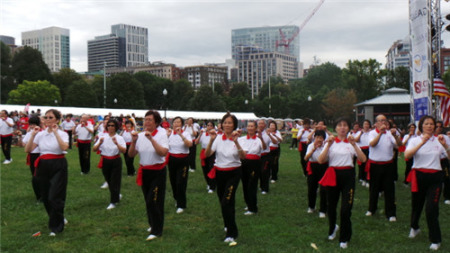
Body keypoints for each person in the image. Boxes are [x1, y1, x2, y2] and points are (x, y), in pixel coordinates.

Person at [318, 118, 367, 249]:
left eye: (345, 125)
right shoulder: (331, 142)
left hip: (348, 177)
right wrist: (327, 145)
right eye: (339, 125)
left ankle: (344, 237)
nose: (342, 128)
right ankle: (333, 227)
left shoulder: (351, 143)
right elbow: (321, 160)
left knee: (346, 209)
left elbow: (363, 159)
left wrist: (355, 145)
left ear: (348, 128)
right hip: (333, 175)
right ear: (335, 128)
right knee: (331, 206)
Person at [405, 116, 450, 251]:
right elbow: (407, 155)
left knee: (431, 209)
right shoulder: (414, 140)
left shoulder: (440, 140)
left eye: (432, 124)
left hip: (435, 177)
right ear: (422, 126)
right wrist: (421, 143)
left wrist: (445, 146)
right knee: (417, 205)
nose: (430, 126)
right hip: (419, 176)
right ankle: (414, 227)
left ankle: (435, 239)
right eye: (427, 124)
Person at [25, 109, 69, 236]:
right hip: (43, 165)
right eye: (46, 117)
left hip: (58, 164)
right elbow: (28, 149)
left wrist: (55, 133)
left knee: (55, 195)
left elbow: (64, 147)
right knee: (45, 196)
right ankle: (57, 218)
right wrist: (32, 135)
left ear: (56, 120)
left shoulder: (62, 134)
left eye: (51, 117)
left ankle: (56, 227)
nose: (47, 120)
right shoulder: (40, 134)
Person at [205, 112, 246, 245]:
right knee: (225, 201)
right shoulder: (217, 138)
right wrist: (211, 140)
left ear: (234, 125)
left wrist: (236, 143)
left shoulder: (239, 138)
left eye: (230, 123)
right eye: (225, 122)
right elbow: (207, 154)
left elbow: (243, 157)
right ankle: (227, 224)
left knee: (226, 201)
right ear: (221, 124)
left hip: (233, 173)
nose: (227, 125)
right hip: (220, 173)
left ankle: (232, 233)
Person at [128, 110, 169, 241]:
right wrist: (133, 142)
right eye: (145, 119)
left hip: (158, 171)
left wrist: (151, 139)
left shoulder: (161, 134)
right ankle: (153, 224)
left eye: (150, 120)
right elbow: (131, 154)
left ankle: (157, 231)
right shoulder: (140, 135)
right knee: (148, 200)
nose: (147, 122)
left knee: (154, 200)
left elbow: (163, 152)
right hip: (145, 171)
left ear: (156, 122)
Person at [365, 114, 402, 222]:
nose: (383, 122)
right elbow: (372, 144)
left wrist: (395, 136)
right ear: (376, 123)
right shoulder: (372, 133)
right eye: (380, 121)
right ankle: (372, 209)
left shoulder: (390, 134)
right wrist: (380, 133)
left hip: (388, 165)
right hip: (375, 165)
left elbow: (399, 145)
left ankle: (391, 213)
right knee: (374, 189)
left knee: (389, 189)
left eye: (384, 120)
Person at [93, 119, 126, 210]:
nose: (110, 127)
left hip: (115, 160)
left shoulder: (119, 138)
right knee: (109, 180)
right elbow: (94, 149)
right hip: (105, 160)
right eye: (109, 125)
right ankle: (116, 195)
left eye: (112, 126)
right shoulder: (102, 136)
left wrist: (117, 144)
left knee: (115, 181)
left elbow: (123, 150)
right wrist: (99, 143)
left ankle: (113, 201)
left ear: (116, 127)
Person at [167, 116, 193, 214]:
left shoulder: (185, 133)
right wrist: (167, 136)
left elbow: (189, 145)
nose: (176, 124)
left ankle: (181, 204)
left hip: (183, 160)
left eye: (178, 122)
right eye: (175, 122)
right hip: (172, 160)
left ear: (181, 124)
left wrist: (181, 135)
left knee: (181, 182)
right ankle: (176, 198)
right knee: (173, 181)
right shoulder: (170, 134)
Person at [238, 121, 265, 215]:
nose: (250, 128)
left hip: (254, 164)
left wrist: (261, 139)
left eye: (252, 126)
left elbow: (264, 148)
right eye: (248, 126)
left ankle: (253, 208)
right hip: (243, 163)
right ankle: (248, 204)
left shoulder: (258, 139)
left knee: (252, 185)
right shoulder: (242, 139)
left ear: (255, 128)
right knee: (245, 184)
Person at [304, 130, 328, 218]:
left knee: (324, 190)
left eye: (321, 137)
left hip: (324, 167)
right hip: (313, 167)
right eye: (317, 137)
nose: (319, 139)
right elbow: (306, 158)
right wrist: (314, 149)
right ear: (314, 138)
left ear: (324, 139)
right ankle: (311, 207)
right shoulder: (311, 146)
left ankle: (323, 210)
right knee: (311, 188)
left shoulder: (326, 146)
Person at [20, 116, 42, 201]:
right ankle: (39, 195)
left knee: (39, 176)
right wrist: (20, 136)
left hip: (39, 155)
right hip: (32, 156)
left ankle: (42, 195)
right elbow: (23, 144)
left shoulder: (41, 133)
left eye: (33, 124)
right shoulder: (29, 134)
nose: (32, 126)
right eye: (31, 124)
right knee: (34, 175)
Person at [195, 121, 216, 193]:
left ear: (213, 127)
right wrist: (200, 134)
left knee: (211, 168)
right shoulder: (203, 134)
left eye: (211, 126)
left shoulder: (214, 135)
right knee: (205, 169)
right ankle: (209, 183)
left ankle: (212, 186)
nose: (209, 127)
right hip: (204, 152)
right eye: (208, 125)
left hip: (212, 152)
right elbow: (196, 142)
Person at [257, 119, 274, 194]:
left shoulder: (267, 133)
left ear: (265, 125)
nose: (260, 125)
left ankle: (265, 188)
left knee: (265, 172)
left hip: (265, 155)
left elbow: (266, 143)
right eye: (259, 124)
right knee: (259, 172)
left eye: (262, 124)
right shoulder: (255, 133)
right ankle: (261, 186)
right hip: (257, 155)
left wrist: (261, 137)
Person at [354, 120, 371, 187]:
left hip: (369, 150)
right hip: (361, 150)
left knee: (368, 165)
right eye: (365, 124)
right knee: (362, 165)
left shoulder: (371, 133)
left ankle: (367, 180)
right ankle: (363, 179)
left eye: (367, 124)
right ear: (363, 125)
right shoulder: (359, 132)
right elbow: (356, 140)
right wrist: (361, 133)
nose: (366, 125)